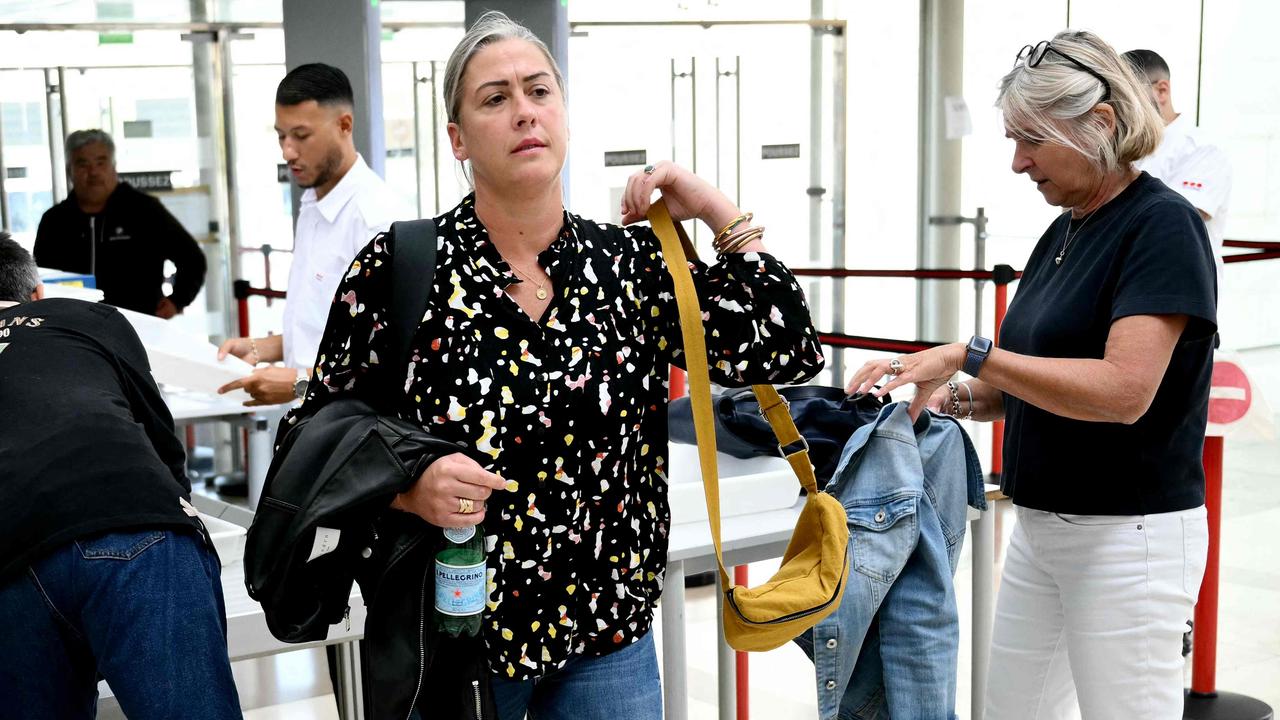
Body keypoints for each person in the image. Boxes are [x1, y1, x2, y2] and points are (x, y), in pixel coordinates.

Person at [290, 11, 825, 719]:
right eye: (495, 98)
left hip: (608, 643)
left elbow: (786, 346)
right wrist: (406, 485)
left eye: (539, 91)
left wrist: (708, 205)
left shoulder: (631, 266)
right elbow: (313, 437)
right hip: (457, 644)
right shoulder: (401, 266)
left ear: (565, 117)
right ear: (457, 139)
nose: (524, 112)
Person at [846, 30, 1216, 720]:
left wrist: (973, 354)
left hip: (1126, 536)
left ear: (1100, 124)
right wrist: (937, 393)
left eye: (1031, 141)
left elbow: (1123, 393)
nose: (1018, 164)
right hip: (1043, 526)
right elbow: (1023, 386)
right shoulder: (1067, 229)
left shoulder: (1162, 227)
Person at [0, 234, 241, 720]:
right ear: (38, 293)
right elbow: (161, 438)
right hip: (136, 520)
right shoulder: (89, 317)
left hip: (11, 549)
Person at [217, 63, 406, 406]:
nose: (288, 151)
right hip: (312, 426)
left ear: (344, 125)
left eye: (301, 136)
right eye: (281, 136)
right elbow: (323, 326)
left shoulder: (376, 222)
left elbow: (391, 361)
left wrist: (298, 385)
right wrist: (261, 348)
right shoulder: (314, 203)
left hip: (353, 436)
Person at [33, 129, 206, 318]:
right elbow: (38, 277)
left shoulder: (144, 211)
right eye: (83, 164)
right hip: (73, 329)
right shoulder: (55, 221)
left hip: (137, 327)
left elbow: (193, 259)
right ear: (69, 171)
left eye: (101, 162)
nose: (93, 172)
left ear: (113, 166)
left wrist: (177, 301)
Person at [1124, 48, 1233, 283]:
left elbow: (1176, 218)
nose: (1121, 107)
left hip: (1178, 288)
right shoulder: (1122, 149)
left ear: (1161, 90)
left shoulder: (1202, 149)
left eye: (1129, 96)